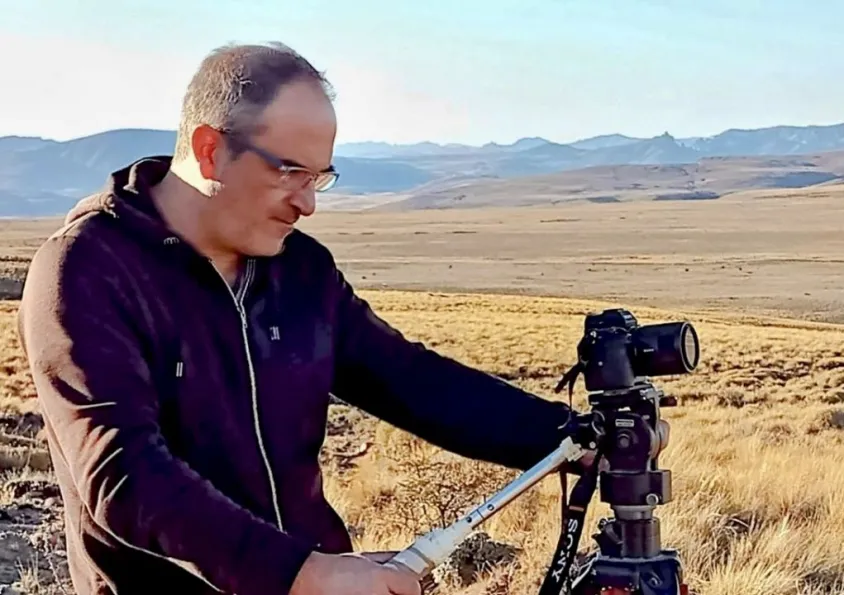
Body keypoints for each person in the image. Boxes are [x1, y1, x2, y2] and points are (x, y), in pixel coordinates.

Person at [16, 42, 599, 595]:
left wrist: (571, 435)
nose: (308, 201)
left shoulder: (300, 269)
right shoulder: (88, 270)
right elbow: (123, 474)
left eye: (319, 176)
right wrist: (300, 574)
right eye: (288, 171)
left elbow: (411, 381)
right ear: (210, 149)